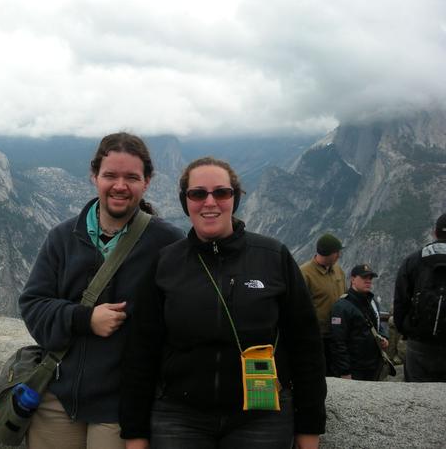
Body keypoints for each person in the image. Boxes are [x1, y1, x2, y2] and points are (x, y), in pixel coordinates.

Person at [120, 157, 326, 449]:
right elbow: (141, 351)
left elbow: (306, 346)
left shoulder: (273, 257)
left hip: (261, 417)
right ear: (185, 201)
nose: (210, 202)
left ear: (235, 198)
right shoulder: (165, 263)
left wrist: (309, 429)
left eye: (221, 192)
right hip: (179, 416)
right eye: (197, 193)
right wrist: (135, 434)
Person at [18, 132, 184, 449]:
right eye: (110, 175)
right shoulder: (63, 237)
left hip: (120, 402)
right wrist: (84, 318)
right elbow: (32, 305)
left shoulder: (166, 243)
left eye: (131, 177)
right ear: (95, 176)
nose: (120, 186)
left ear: (146, 181)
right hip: (58, 397)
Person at [393, 213, 446, 382]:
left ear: (435, 233)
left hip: (419, 345)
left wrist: (407, 330)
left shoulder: (413, 260)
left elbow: (400, 302)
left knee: (415, 397)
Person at [330, 264, 389, 380]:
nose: (368, 281)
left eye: (370, 278)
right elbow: (338, 342)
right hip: (355, 369)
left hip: (373, 366)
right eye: (364, 278)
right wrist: (345, 371)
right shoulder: (341, 307)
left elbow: (377, 323)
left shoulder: (372, 302)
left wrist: (383, 336)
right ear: (353, 279)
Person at [300, 233, 346, 376]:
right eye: (336, 252)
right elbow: (299, 307)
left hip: (339, 334)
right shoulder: (305, 273)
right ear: (328, 253)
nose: (339, 255)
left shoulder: (338, 270)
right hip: (318, 336)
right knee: (319, 372)